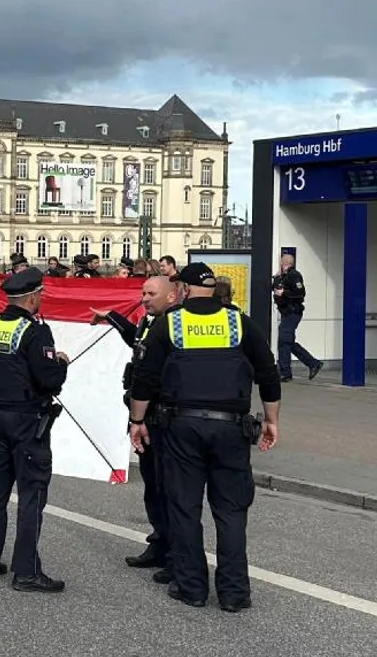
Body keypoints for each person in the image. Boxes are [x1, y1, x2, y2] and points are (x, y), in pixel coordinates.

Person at [128, 262, 281, 612]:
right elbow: (268, 371)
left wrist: (137, 420)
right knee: (231, 511)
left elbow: (146, 377)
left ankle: (191, 586)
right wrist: (271, 419)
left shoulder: (171, 323)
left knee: (184, 507)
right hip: (232, 427)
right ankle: (234, 593)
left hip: (183, 427)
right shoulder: (238, 321)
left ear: (183, 290)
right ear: (213, 290)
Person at [0, 266, 70, 593]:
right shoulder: (35, 332)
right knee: (31, 493)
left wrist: (4, 371)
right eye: (40, 296)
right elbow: (49, 379)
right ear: (33, 297)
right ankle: (26, 571)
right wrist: (61, 362)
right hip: (28, 420)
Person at [92, 275, 181, 582]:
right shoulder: (148, 321)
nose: (144, 298)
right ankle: (159, 543)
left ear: (171, 297)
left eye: (151, 293)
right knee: (153, 486)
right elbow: (136, 341)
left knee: (169, 489)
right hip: (145, 418)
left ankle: (176, 555)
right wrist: (113, 318)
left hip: (164, 417)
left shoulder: (173, 326)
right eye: (143, 293)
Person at [272, 253, 323, 381]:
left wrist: (284, 293)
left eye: (281, 261)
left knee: (284, 341)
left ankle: (285, 373)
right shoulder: (281, 276)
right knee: (287, 342)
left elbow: (300, 293)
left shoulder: (294, 275)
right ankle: (313, 363)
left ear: (285, 262)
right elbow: (275, 288)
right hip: (285, 313)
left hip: (292, 312)